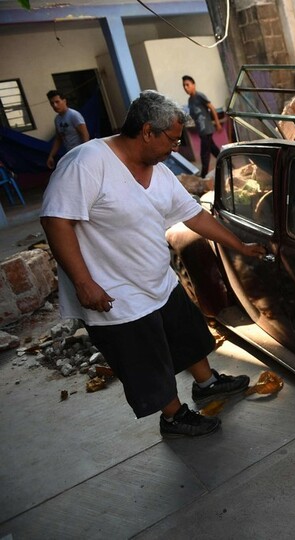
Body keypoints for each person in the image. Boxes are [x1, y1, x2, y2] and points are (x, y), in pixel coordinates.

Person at [40, 90, 266, 438]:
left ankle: (207, 384)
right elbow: (56, 220)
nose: (176, 148)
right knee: (146, 360)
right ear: (147, 131)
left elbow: (194, 215)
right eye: (172, 140)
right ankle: (173, 417)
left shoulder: (159, 171)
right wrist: (84, 283)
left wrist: (240, 246)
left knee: (187, 334)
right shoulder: (88, 163)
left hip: (158, 278)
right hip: (116, 294)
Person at [182, 75, 222, 178]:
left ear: (193, 85)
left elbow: (212, 108)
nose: (186, 88)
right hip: (201, 131)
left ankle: (203, 175)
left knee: (204, 154)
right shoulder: (190, 100)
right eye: (184, 86)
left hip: (207, 129)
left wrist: (217, 123)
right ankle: (228, 164)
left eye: (187, 85)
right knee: (214, 150)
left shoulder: (200, 96)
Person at [46, 90, 90, 169]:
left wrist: (85, 154)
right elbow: (58, 139)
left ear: (64, 101)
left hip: (80, 153)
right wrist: (51, 156)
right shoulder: (57, 119)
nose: (55, 105)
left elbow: (85, 135)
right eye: (52, 103)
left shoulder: (74, 115)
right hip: (70, 154)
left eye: (57, 102)